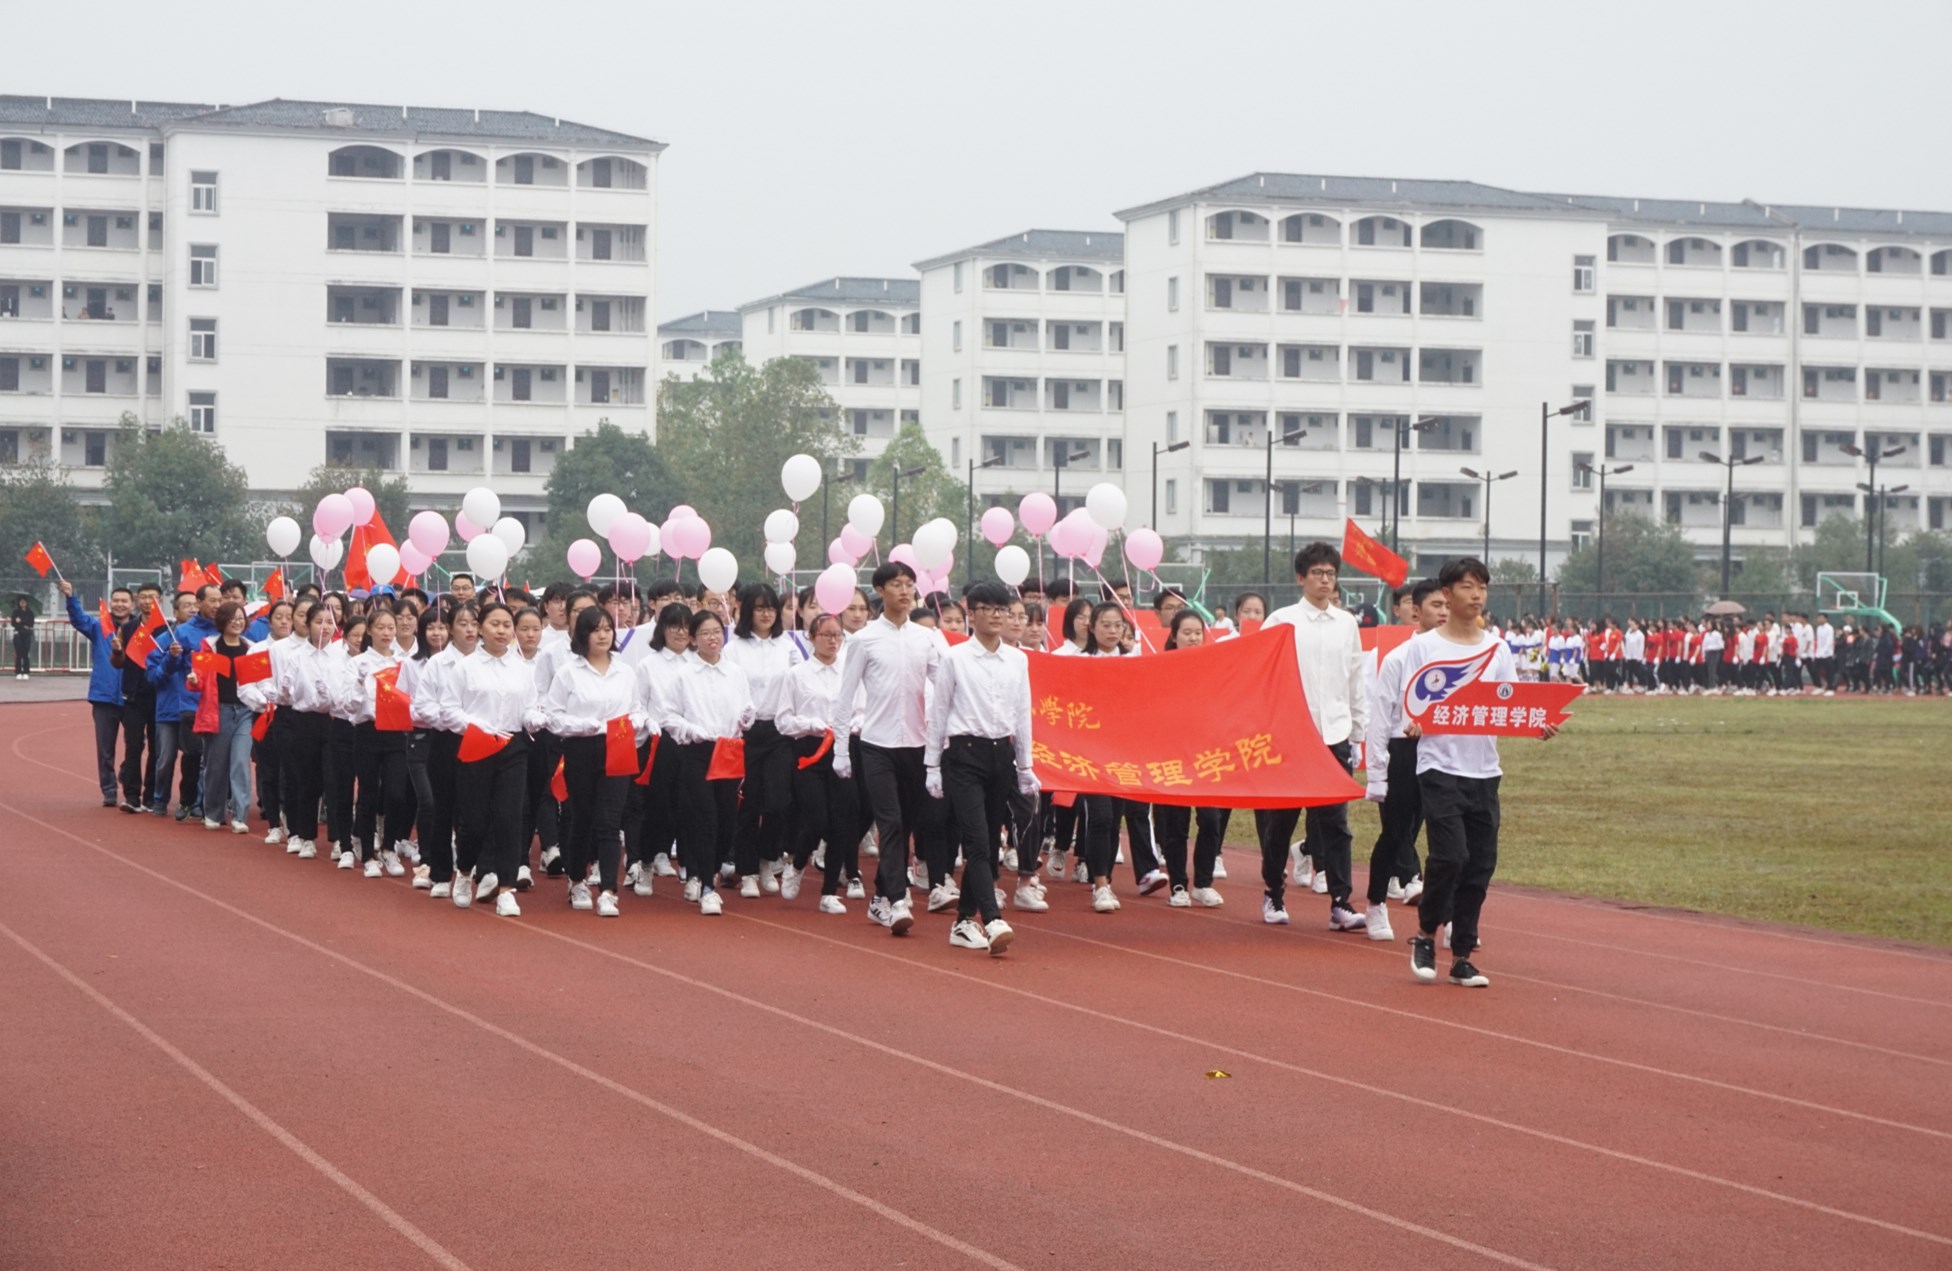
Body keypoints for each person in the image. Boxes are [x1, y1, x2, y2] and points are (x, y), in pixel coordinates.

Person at [1405, 557, 1559, 987]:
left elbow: (1508, 705)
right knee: (1450, 856)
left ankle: (1461, 955)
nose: (1476, 596)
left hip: (1484, 770)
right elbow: (1413, 703)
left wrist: (1536, 724)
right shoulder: (1425, 646)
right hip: (1439, 766)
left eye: (1482, 588)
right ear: (1447, 594)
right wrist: (1413, 722)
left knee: (1480, 865)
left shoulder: (1497, 647)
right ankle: (1424, 933)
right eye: (1468, 587)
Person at [1256, 544, 1368, 931]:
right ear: (1301, 578)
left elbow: (1355, 677)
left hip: (1334, 733)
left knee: (1335, 822)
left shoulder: (1346, 623)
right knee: (1281, 821)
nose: (1325, 580)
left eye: (1331, 574)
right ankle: (1273, 890)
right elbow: (1261, 676)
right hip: (1290, 735)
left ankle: (1341, 901)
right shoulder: (1281, 621)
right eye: (1317, 573)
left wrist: (1357, 729)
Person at [832, 561, 942, 936]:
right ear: (880, 590)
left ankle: (879, 897)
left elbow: (944, 687)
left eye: (910, 584)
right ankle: (896, 900)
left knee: (907, 823)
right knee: (890, 822)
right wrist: (841, 750)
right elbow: (844, 698)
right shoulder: (864, 639)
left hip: (917, 745)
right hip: (876, 745)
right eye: (897, 584)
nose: (905, 590)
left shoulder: (925, 639)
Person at [925, 580, 1034, 955]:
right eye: (986, 608)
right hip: (963, 755)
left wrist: (1025, 766)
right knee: (976, 840)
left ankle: (962, 921)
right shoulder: (956, 658)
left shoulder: (1018, 660)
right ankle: (992, 919)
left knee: (990, 840)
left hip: (1000, 756)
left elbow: (1022, 715)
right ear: (972, 614)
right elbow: (938, 714)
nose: (995, 616)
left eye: (1001, 610)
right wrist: (931, 766)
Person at [542, 604, 646, 917]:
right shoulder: (569, 672)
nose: (602, 635)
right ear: (582, 635)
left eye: (606, 629)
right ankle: (576, 879)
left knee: (611, 821)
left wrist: (640, 722)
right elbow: (553, 716)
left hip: (618, 746)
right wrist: (582, 725)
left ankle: (609, 891)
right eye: (595, 630)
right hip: (582, 749)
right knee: (582, 818)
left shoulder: (625, 671)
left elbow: (637, 707)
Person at [1362, 578, 1449, 941]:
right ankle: (1375, 903)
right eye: (1435, 606)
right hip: (1405, 751)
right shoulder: (1398, 658)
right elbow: (1381, 718)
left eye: (1447, 605)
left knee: (1448, 839)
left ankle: (1452, 914)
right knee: (1396, 833)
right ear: (1416, 611)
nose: (1443, 612)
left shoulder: (1465, 656)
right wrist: (1377, 774)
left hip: (1447, 752)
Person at [663, 608, 754, 916]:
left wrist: (747, 716)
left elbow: (745, 706)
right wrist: (690, 730)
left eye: (717, 631)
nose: (713, 638)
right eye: (705, 633)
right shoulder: (684, 675)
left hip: (728, 751)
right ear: (693, 639)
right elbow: (669, 716)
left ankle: (711, 871)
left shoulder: (735, 672)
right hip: (697, 752)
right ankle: (706, 886)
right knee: (707, 818)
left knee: (728, 820)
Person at [449, 601, 537, 916]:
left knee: (509, 818)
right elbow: (449, 710)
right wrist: (474, 726)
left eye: (506, 625)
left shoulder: (521, 668)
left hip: (512, 747)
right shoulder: (465, 667)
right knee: (473, 822)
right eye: (494, 624)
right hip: (476, 747)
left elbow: (529, 705)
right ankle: (463, 872)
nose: (501, 631)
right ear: (480, 628)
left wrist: (533, 717)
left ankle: (506, 889)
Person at [777, 612, 862, 912]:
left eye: (837, 634)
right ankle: (798, 863)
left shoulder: (850, 671)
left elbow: (862, 709)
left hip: (842, 749)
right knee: (817, 818)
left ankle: (828, 893)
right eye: (825, 634)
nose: (832, 640)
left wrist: (853, 724)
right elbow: (783, 720)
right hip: (809, 752)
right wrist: (809, 724)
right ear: (811, 638)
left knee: (843, 820)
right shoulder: (797, 675)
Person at [723, 582, 802, 897]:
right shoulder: (734, 648)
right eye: (759, 607)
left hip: (780, 732)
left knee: (779, 801)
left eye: (771, 607)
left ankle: (768, 859)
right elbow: (729, 690)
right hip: (747, 733)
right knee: (748, 803)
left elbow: (799, 684)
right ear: (747, 611)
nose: (767, 613)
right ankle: (747, 872)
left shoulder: (788, 646)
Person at [1152, 608, 1228, 907]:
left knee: (1210, 819)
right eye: (1187, 632)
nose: (1194, 637)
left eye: (1198, 632)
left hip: (1206, 755)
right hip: (1171, 754)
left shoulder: (1213, 667)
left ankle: (1204, 882)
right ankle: (1179, 884)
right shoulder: (1160, 667)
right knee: (1175, 823)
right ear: (1174, 636)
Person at [630, 602, 694, 891]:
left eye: (685, 626)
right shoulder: (649, 665)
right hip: (659, 743)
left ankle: (693, 870)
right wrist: (648, 723)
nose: (680, 632)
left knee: (690, 807)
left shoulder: (699, 662)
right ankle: (645, 863)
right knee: (658, 808)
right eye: (673, 626)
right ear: (662, 629)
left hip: (694, 742)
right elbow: (637, 706)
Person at [346, 606, 411, 877]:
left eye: (390, 628)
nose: (386, 633)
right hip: (368, 731)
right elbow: (348, 705)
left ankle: (388, 847)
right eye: (381, 628)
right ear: (370, 630)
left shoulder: (403, 663)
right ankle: (368, 855)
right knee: (369, 793)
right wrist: (361, 685)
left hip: (396, 732)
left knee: (397, 793)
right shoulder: (357, 663)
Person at [147, 586, 221, 821]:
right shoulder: (168, 638)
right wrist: (172, 657)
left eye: (193, 605)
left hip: (199, 706)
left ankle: (195, 803)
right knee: (165, 759)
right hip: (169, 708)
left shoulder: (218, 633)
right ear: (176, 612)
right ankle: (159, 799)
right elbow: (153, 676)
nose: (190, 609)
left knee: (198, 758)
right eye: (185, 605)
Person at [275, 600, 340, 860]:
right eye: (318, 622)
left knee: (334, 783)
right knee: (307, 781)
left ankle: (338, 838)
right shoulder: (296, 657)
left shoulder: (341, 654)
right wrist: (285, 688)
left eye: (330, 622)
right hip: (304, 721)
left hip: (334, 722)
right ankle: (306, 836)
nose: (324, 628)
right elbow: (285, 695)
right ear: (307, 624)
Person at [61, 579, 132, 806]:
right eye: (116, 600)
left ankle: (126, 773)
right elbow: (78, 620)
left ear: (132, 605)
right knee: (105, 748)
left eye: (124, 601)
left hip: (133, 696)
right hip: (104, 695)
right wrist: (71, 597)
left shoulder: (139, 630)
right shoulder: (100, 626)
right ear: (111, 603)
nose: (120, 604)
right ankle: (109, 789)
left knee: (137, 743)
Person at [197, 601, 257, 834]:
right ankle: (213, 812)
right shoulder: (209, 647)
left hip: (245, 711)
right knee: (216, 764)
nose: (237, 622)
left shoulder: (250, 648)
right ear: (222, 620)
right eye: (233, 617)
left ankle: (240, 815)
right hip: (218, 710)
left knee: (241, 762)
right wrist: (194, 680)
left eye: (241, 617)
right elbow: (199, 677)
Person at [11, 593, 34, 679]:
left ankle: (26, 672)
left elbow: (31, 623)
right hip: (18, 634)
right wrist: (20, 623)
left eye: (24, 602)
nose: (23, 603)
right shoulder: (16, 612)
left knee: (26, 653)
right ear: (19, 603)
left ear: (27, 603)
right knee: (19, 653)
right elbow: (13, 623)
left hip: (27, 635)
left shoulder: (30, 612)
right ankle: (18, 672)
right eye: (21, 602)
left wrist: (21, 622)